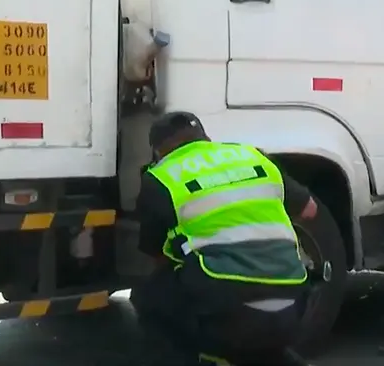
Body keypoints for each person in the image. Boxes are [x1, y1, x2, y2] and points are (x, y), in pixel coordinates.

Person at [131, 111, 318, 366]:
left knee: (148, 297)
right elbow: (310, 209)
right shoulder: (251, 155)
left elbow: (156, 255)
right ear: (205, 138)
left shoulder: (161, 177)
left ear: (158, 150)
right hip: (293, 302)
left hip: (227, 308)